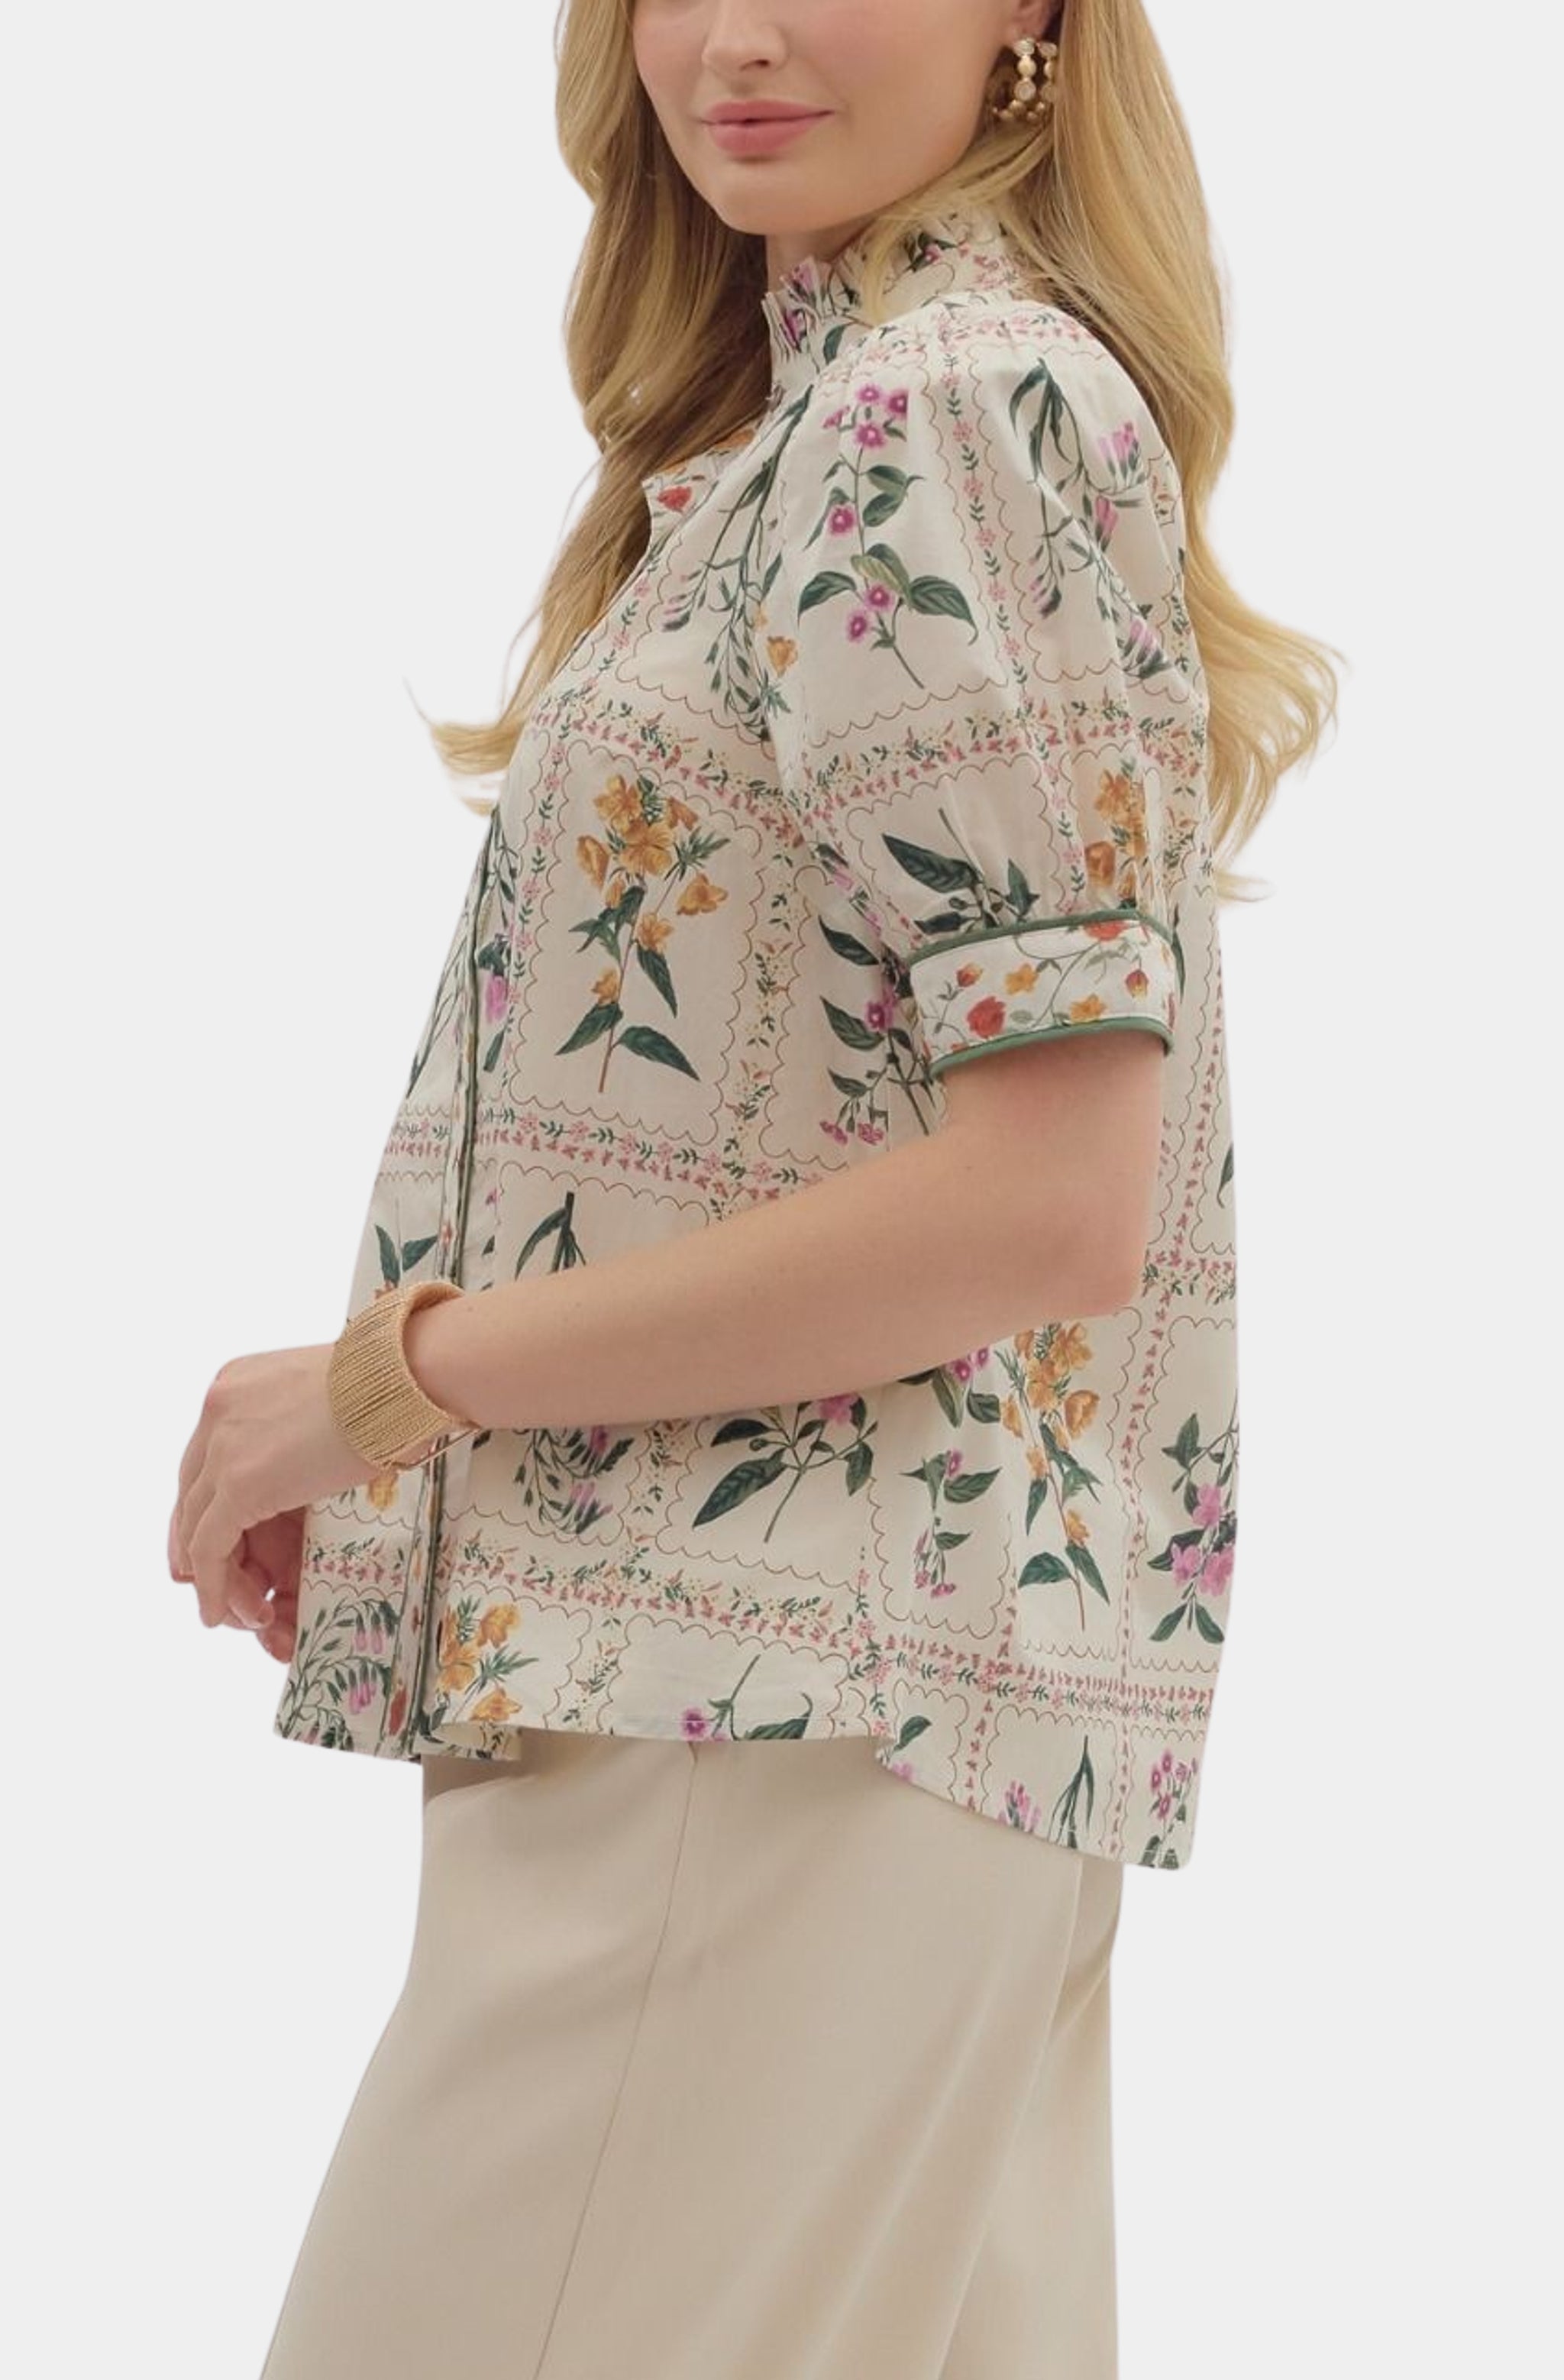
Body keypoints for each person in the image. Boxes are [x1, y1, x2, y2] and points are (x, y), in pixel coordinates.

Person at [170, 5, 1339, 2373]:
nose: (738, 33)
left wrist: (388, 1384)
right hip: (879, 1745)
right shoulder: (832, 417)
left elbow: (1045, 1202)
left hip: (770, 1747)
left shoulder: (945, 408)